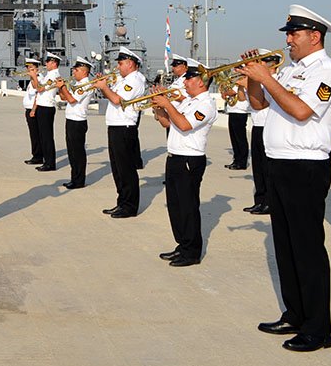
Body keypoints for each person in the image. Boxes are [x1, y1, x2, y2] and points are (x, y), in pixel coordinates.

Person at [241, 4, 331, 353]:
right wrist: (254, 80)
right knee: (285, 247)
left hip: (305, 167)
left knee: (308, 249)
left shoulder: (326, 72)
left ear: (314, 36)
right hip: (280, 164)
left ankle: (318, 329)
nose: (288, 40)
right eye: (288, 33)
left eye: (294, 34)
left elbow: (301, 110)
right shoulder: (289, 72)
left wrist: (267, 76)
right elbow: (260, 106)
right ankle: (295, 314)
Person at [150, 58, 217, 267]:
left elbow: (185, 125)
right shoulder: (188, 100)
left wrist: (167, 103)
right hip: (175, 156)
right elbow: (167, 123)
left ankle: (192, 252)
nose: (185, 82)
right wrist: (158, 107)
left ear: (201, 81)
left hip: (190, 159)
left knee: (188, 207)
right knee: (175, 206)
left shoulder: (206, 104)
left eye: (189, 78)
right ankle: (182, 245)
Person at [95, 47, 146, 218]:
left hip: (124, 128)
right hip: (116, 126)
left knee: (126, 170)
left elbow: (117, 99)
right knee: (117, 169)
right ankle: (122, 202)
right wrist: (104, 85)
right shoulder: (124, 79)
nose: (118, 66)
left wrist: (104, 87)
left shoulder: (136, 80)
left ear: (131, 64)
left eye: (121, 63)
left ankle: (129, 206)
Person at [243, 49, 283, 215]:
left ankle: (269, 202)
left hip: (269, 126)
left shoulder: (277, 81)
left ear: (272, 64)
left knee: (267, 170)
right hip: (257, 126)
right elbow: (254, 103)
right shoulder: (260, 82)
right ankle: (259, 200)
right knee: (258, 168)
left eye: (263, 62)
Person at [57, 56, 94, 189]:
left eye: (76, 70)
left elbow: (72, 100)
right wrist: (61, 88)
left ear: (84, 71)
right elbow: (64, 97)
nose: (73, 72)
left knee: (78, 152)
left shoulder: (86, 85)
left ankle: (79, 180)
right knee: (71, 151)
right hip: (71, 119)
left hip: (78, 121)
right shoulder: (78, 84)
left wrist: (64, 87)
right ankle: (74, 178)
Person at [31, 52, 62, 172]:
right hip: (42, 106)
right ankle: (46, 161)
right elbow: (36, 87)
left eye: (48, 61)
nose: (46, 63)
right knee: (42, 136)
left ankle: (50, 163)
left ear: (54, 63)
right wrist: (33, 76)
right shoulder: (48, 74)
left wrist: (34, 76)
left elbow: (40, 88)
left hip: (47, 108)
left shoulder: (54, 75)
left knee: (47, 137)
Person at [222, 76, 251, 169]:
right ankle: (236, 160)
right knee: (234, 138)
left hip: (240, 111)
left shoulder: (244, 80)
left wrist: (225, 92)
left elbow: (234, 92)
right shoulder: (237, 81)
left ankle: (242, 162)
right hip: (233, 110)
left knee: (240, 138)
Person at [22, 58, 43, 165]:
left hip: (33, 110)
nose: (29, 70)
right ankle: (37, 154)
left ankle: (37, 156)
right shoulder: (32, 79)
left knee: (36, 134)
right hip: (29, 109)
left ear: (37, 69)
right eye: (28, 68)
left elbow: (38, 95)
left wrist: (33, 110)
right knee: (33, 134)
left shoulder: (38, 79)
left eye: (31, 68)